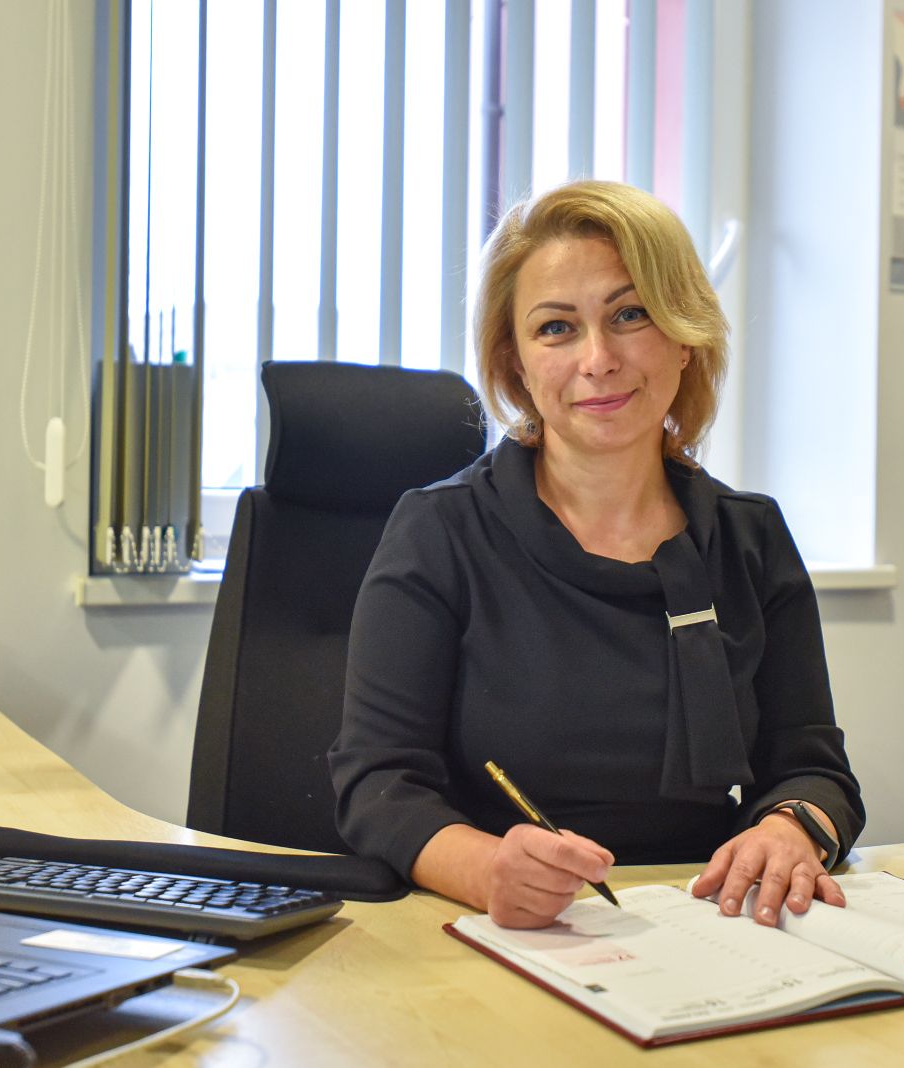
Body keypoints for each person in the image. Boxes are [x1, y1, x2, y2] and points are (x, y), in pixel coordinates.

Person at [328, 180, 863, 930]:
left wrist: (789, 830)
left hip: (712, 925)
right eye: (556, 328)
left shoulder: (751, 538)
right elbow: (378, 785)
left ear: (684, 334)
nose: (598, 359)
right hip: (500, 930)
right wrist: (488, 871)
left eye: (630, 315)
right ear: (516, 363)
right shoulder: (440, 532)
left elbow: (813, 769)